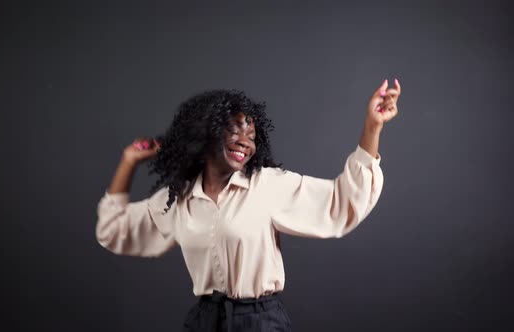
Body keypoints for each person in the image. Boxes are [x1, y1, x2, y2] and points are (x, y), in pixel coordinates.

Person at [96, 79, 401, 331]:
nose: (246, 141)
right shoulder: (178, 198)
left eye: (252, 136)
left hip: (260, 322)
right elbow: (114, 230)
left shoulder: (266, 185)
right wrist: (129, 161)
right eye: (236, 130)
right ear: (206, 131)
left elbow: (341, 202)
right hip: (205, 321)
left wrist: (372, 127)